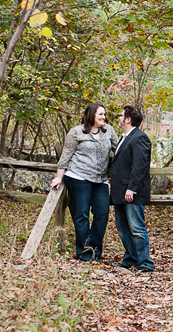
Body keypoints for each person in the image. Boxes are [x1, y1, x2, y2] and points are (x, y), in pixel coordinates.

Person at [51, 103, 118, 263]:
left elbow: (119, 149)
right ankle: (85, 253)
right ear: (91, 115)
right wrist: (59, 177)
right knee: (82, 214)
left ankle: (96, 251)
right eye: (100, 114)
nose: (103, 117)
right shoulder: (76, 132)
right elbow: (66, 156)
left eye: (104, 114)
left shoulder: (109, 130)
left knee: (102, 214)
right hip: (78, 176)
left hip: (100, 179)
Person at [110, 105, 154, 272]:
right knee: (122, 227)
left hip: (132, 192)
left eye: (120, 115)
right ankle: (131, 258)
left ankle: (145, 263)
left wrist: (132, 189)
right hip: (120, 191)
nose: (118, 118)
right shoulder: (124, 137)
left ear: (128, 119)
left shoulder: (140, 138)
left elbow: (140, 166)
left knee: (136, 228)